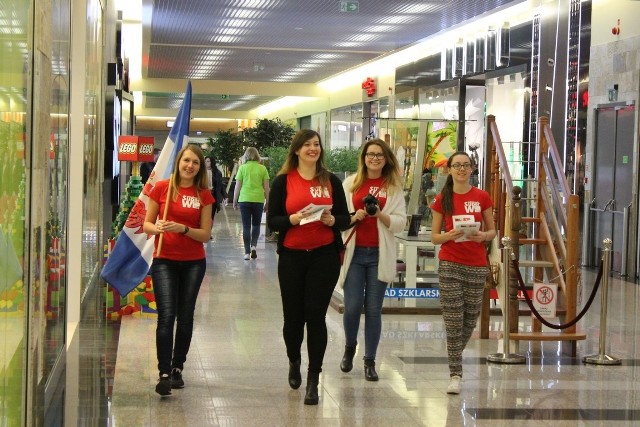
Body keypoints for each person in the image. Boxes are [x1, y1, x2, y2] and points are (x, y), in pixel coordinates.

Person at [266, 129, 350, 405]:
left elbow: (344, 219)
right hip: (292, 257)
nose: (313, 149)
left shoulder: (331, 181)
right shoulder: (283, 181)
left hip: (324, 256)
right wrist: (292, 218)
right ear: (297, 150)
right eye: (307, 145)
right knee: (293, 318)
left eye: (316, 145)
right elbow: (273, 221)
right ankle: (294, 360)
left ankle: (314, 377)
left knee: (315, 316)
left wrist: (330, 220)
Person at [142, 144, 214, 396]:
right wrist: (159, 226)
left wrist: (183, 229)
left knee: (185, 317)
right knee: (166, 315)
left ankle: (177, 368)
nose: (190, 165)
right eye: (186, 160)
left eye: (195, 162)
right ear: (178, 161)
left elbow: (205, 235)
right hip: (164, 260)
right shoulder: (162, 188)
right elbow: (147, 224)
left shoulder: (204, 194)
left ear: (200, 167)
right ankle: (163, 373)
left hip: (194, 262)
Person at [337, 138, 406, 381]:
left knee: (374, 309)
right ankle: (349, 347)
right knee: (353, 306)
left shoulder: (393, 188)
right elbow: (340, 219)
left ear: (386, 159)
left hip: (380, 254)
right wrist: (355, 216)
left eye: (379, 155)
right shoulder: (350, 184)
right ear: (363, 158)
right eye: (370, 154)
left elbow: (400, 222)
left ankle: (370, 360)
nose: (374, 158)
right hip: (355, 255)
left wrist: (381, 215)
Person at [429, 151, 496, 395]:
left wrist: (483, 236)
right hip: (450, 263)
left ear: (472, 169)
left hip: (477, 264)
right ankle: (455, 373)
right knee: (454, 320)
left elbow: (492, 231)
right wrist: (448, 236)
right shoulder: (441, 199)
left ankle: (455, 351)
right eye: (456, 165)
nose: (461, 169)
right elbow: (435, 237)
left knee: (469, 318)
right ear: (449, 170)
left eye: (466, 165)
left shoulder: (482, 197)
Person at [232, 147, 270, 260]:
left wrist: (234, 200)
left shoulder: (242, 168)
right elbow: (267, 187)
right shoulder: (262, 168)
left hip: (244, 199)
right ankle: (254, 246)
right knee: (256, 225)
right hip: (258, 199)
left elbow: (237, 186)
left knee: (246, 226)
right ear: (257, 156)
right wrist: (268, 201)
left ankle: (247, 253)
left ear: (246, 156)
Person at [205, 155, 227, 225]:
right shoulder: (200, 172)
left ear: (212, 162)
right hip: (203, 195)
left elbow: (220, 186)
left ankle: (208, 233)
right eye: (205, 161)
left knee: (211, 216)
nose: (206, 163)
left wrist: (225, 196)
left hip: (212, 196)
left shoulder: (217, 173)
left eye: (208, 161)